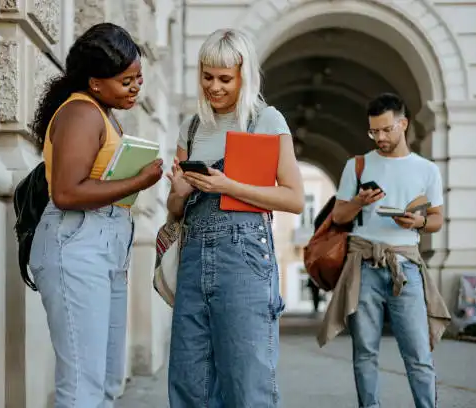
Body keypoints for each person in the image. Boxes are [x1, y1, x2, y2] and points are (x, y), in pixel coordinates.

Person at [165, 28, 305, 407]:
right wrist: (178, 195)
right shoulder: (191, 127)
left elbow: (294, 198)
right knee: (189, 382)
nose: (214, 87)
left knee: (247, 382)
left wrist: (228, 186)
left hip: (244, 256)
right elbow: (175, 211)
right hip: (193, 255)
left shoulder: (265, 121)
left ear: (245, 76)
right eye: (207, 76)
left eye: (225, 78)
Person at [28, 23, 163, 408]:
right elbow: (67, 192)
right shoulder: (82, 114)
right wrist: (138, 181)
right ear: (95, 82)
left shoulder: (101, 112)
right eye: (126, 81)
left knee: (104, 382)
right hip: (77, 243)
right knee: (82, 385)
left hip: (103, 244)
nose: (136, 88)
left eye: (138, 78)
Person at [319, 93, 451, 408]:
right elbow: (338, 217)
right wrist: (358, 202)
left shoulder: (427, 169)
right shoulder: (358, 166)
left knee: (418, 350)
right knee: (364, 350)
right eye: (374, 131)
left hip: (405, 265)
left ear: (403, 124)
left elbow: (437, 221)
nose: (380, 137)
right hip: (363, 264)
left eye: (386, 129)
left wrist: (418, 222)